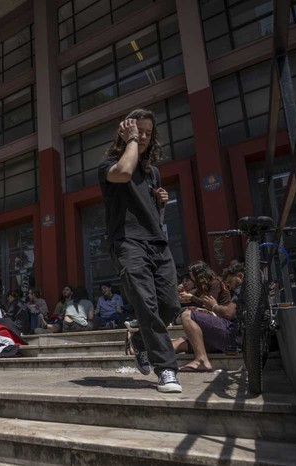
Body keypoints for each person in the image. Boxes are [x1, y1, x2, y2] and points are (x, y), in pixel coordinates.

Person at [98, 108, 182, 393]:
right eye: (138, 131)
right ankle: (167, 369)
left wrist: (160, 204)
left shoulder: (153, 173)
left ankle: (140, 342)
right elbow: (123, 173)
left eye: (147, 132)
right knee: (146, 305)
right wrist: (131, 141)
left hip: (155, 242)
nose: (143, 137)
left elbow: (151, 216)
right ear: (124, 133)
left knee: (170, 305)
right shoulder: (109, 164)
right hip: (126, 242)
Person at [172, 261, 237, 372]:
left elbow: (209, 304)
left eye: (193, 277)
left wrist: (192, 298)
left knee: (187, 315)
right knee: (177, 343)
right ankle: (141, 351)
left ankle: (201, 360)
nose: (192, 280)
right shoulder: (202, 286)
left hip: (224, 325)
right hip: (213, 330)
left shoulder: (215, 283)